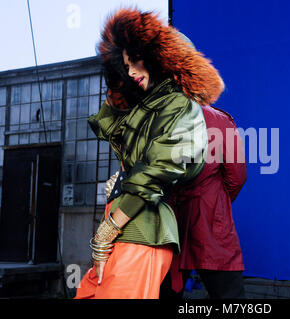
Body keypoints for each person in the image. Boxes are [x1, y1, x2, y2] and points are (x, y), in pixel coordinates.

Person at [74, 7, 224, 299]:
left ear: (160, 59)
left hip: (140, 232)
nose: (130, 71)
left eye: (135, 62)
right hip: (123, 226)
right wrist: (117, 85)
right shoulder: (149, 107)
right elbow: (108, 129)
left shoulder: (180, 107)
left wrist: (106, 233)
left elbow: (159, 171)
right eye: (125, 65)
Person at [160, 103, 247, 299]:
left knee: (164, 292)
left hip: (169, 224)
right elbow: (237, 176)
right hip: (210, 222)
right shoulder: (219, 120)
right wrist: (217, 204)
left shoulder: (157, 119)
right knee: (229, 296)